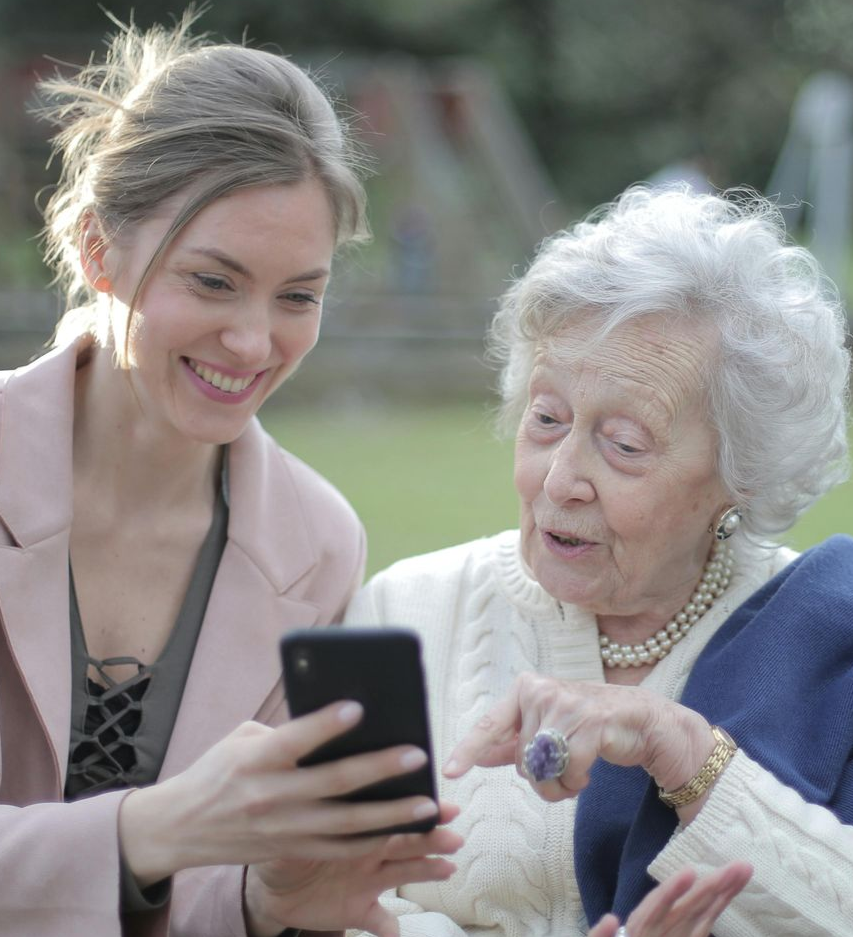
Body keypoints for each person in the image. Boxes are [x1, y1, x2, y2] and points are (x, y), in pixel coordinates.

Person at [0, 12, 463, 937]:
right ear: (98, 250)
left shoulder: (318, 544)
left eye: (298, 296)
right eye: (212, 281)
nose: (254, 342)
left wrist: (265, 901)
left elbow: (199, 897)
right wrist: (144, 828)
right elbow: (164, 844)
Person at [345, 184, 853, 936]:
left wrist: (680, 750)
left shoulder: (824, 634)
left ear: (742, 475)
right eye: (545, 419)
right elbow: (328, 903)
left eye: (622, 444)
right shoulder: (408, 614)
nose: (558, 480)